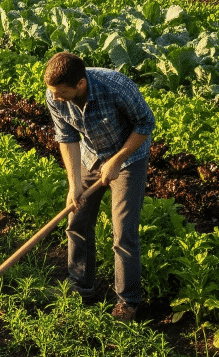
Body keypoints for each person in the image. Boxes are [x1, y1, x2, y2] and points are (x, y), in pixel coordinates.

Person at [44, 51, 155, 321]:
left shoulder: (117, 86)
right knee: (77, 220)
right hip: (90, 155)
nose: (54, 97)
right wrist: (74, 185)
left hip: (129, 159)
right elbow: (66, 137)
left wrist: (117, 161)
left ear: (80, 84)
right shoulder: (54, 95)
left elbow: (145, 123)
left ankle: (127, 301)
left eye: (60, 93)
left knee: (123, 232)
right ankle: (80, 286)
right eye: (53, 92)